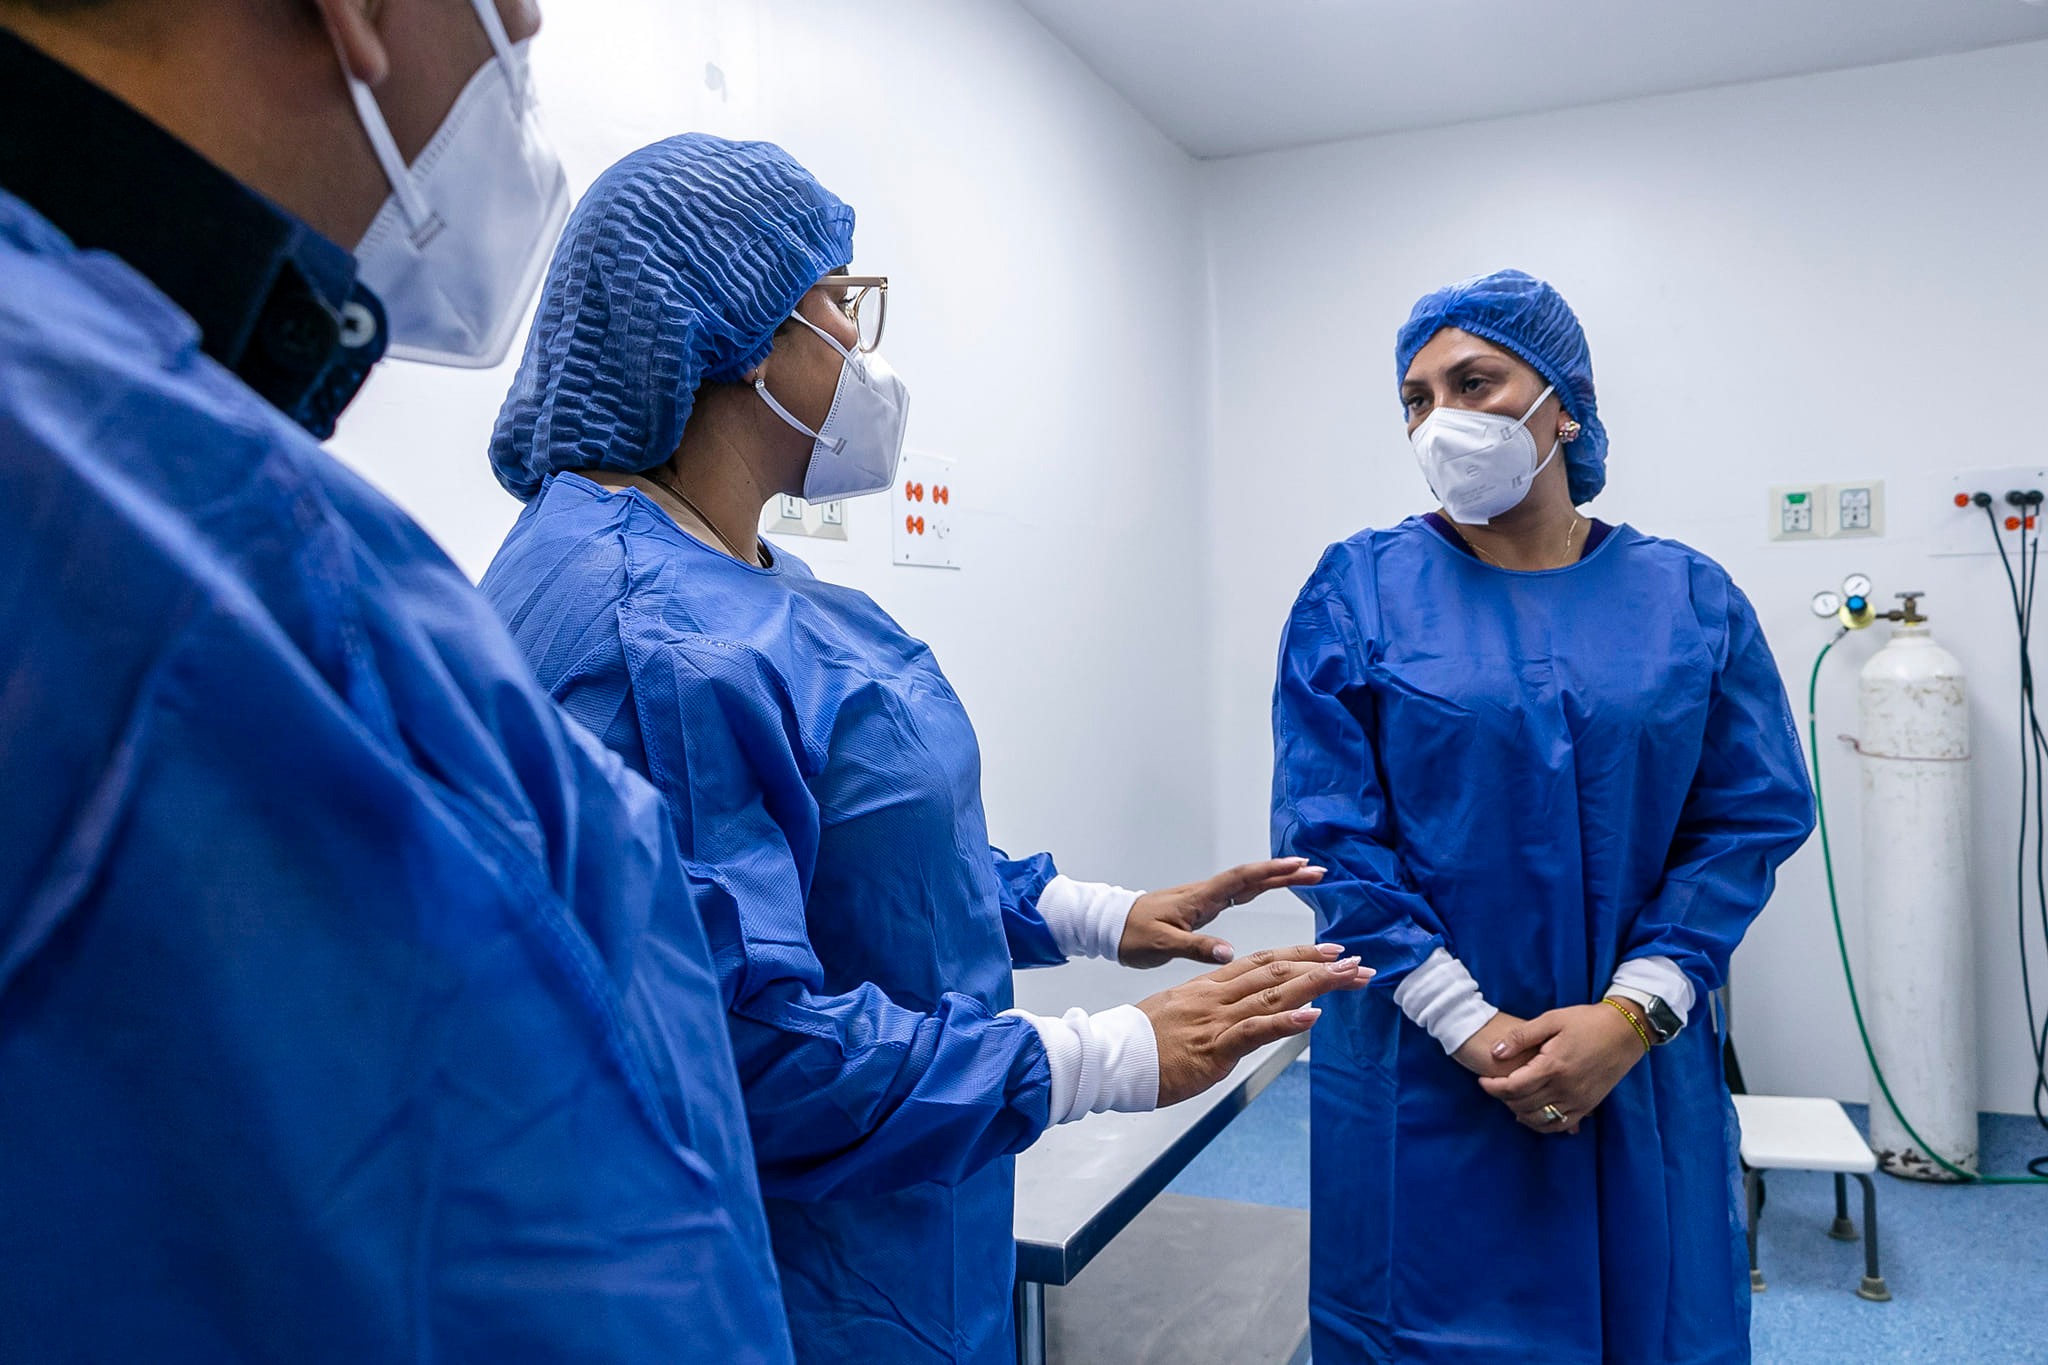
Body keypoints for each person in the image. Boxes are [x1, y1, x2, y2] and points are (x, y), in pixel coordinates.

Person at [479, 132, 1368, 1365]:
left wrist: (1096, 915)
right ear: (739, 335)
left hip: (888, 1222)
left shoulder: (735, 578)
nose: (859, 344)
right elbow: (740, 1045)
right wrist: (1106, 1055)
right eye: (837, 302)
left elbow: (865, 863)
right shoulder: (646, 632)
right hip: (785, 1286)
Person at [0, 5, 792, 1361]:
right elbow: (553, 1261)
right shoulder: (215, 564)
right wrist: (1081, 1057)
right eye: (513, 11)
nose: (522, 39)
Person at [1271, 269, 1816, 1364]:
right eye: (1416, 399)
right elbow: (1330, 836)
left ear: (1564, 404)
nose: (1440, 419)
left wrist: (1633, 1014)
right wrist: (1469, 1024)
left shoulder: (1689, 598)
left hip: (1634, 1059)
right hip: (1427, 1058)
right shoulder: (1358, 590)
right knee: (1422, 1324)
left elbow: (1746, 817)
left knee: (1653, 1318)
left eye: (1474, 383)